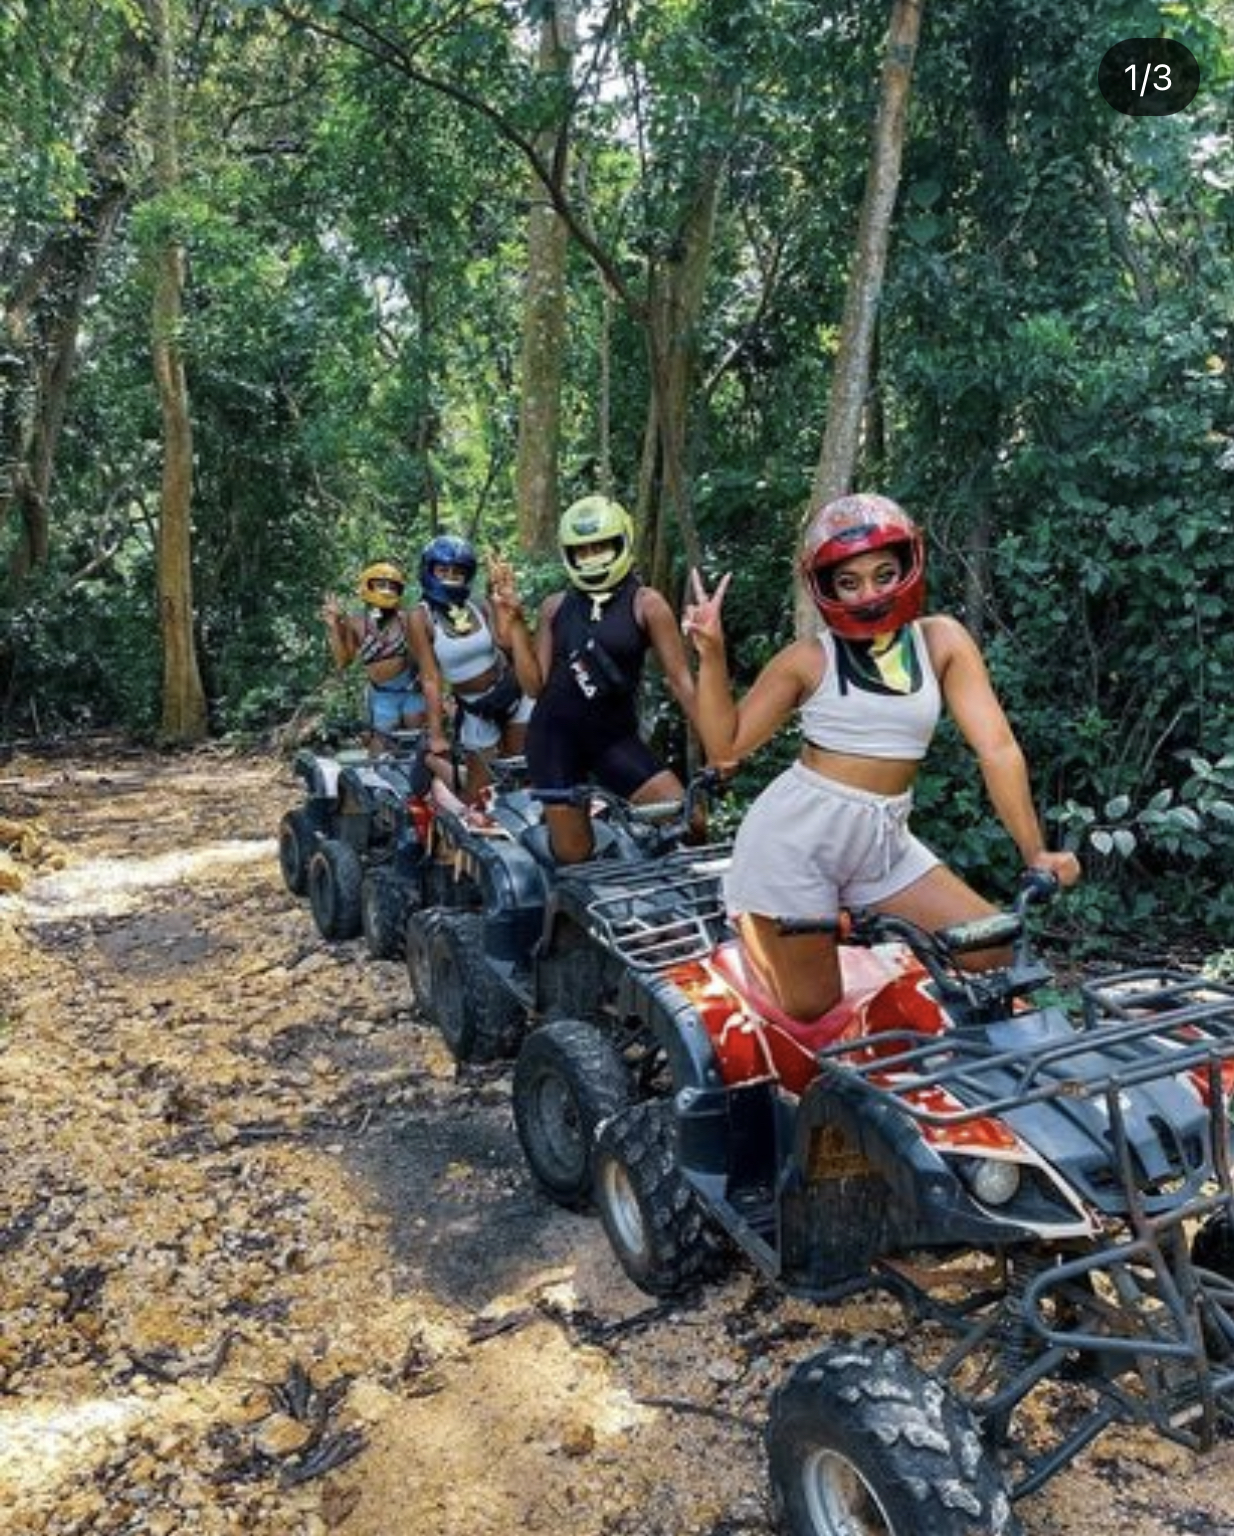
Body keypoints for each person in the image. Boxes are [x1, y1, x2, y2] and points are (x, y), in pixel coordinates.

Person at [681, 492, 1081, 1021]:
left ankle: (845, 959)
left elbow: (997, 747)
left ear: (907, 567)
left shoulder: (941, 640)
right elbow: (726, 747)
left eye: (883, 575)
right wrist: (711, 653)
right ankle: (752, 944)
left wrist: (1035, 852)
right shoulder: (809, 659)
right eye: (850, 582)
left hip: (882, 840)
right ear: (827, 588)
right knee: (811, 1006)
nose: (869, 594)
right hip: (796, 840)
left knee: (991, 949)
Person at [492, 494, 700, 862]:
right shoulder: (555, 606)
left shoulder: (647, 603)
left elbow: (682, 682)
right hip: (554, 740)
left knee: (691, 820)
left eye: (600, 546)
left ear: (621, 542)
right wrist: (516, 624)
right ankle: (537, 850)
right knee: (575, 854)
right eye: (582, 550)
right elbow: (533, 686)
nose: (591, 557)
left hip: (613, 739)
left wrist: (719, 748)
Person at [409, 533, 534, 799]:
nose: (450, 577)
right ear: (429, 570)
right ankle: (430, 761)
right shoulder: (420, 617)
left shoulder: (478, 604)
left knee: (519, 776)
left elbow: (506, 642)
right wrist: (436, 734)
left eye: (458, 572)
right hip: (476, 707)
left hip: (511, 692)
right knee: (476, 795)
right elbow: (430, 677)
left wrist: (507, 606)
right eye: (443, 570)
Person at [321, 561, 446, 755]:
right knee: (380, 740)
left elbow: (429, 654)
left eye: (391, 586)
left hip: (411, 689)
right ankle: (378, 772)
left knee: (416, 737)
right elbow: (343, 661)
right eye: (381, 585)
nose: (387, 590)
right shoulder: (356, 622)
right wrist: (335, 626)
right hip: (382, 694)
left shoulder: (407, 619)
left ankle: (420, 772)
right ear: (368, 586)